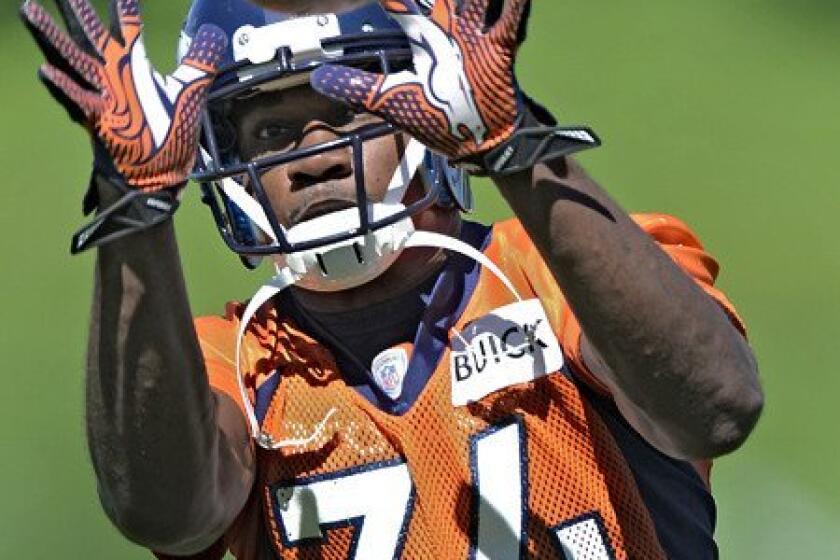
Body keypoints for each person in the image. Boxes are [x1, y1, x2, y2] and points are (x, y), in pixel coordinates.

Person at [21, 0, 763, 558]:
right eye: (272, 133)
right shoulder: (229, 365)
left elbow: (716, 405)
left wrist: (513, 147)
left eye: (345, 114)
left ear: (428, 112)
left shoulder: (557, 275)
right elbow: (163, 510)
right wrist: (136, 216)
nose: (311, 157)